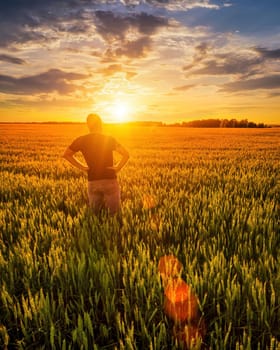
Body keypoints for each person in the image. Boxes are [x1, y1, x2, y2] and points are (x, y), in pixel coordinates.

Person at [63, 113, 129, 215]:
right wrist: (118, 167)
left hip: (93, 181)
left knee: (94, 215)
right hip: (109, 180)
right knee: (114, 215)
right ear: (101, 124)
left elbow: (66, 155)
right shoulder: (109, 139)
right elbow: (126, 154)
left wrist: (83, 167)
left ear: (88, 125)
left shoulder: (81, 140)